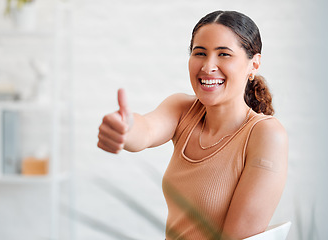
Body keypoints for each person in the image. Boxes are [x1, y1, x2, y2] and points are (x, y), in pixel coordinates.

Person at [98, 10, 288, 240]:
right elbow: (145, 130)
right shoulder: (183, 109)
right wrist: (125, 127)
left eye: (224, 54)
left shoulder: (266, 134)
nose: (208, 66)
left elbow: (237, 237)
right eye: (200, 53)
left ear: (254, 64)